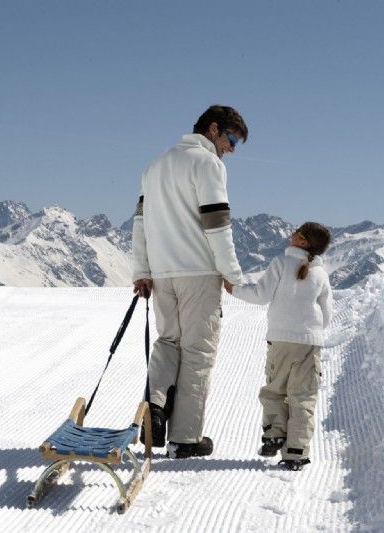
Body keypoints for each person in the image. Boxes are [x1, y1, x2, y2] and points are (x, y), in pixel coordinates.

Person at [132, 105, 248, 459]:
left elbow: (140, 222)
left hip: (163, 274)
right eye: (231, 139)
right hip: (198, 272)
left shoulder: (155, 165)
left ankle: (154, 406)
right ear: (213, 129)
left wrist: (142, 271)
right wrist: (232, 274)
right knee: (198, 352)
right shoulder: (208, 164)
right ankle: (185, 438)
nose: (231, 149)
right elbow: (216, 223)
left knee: (168, 343)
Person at [229, 222, 332, 471]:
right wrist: (313, 330)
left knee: (275, 390)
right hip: (309, 343)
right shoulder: (320, 273)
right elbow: (327, 312)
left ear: (303, 241)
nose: (291, 234)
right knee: (303, 397)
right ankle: (296, 451)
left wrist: (233, 289)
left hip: (281, 340)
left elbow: (261, 295)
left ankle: (274, 433)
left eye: (296, 233)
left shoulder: (281, 263)